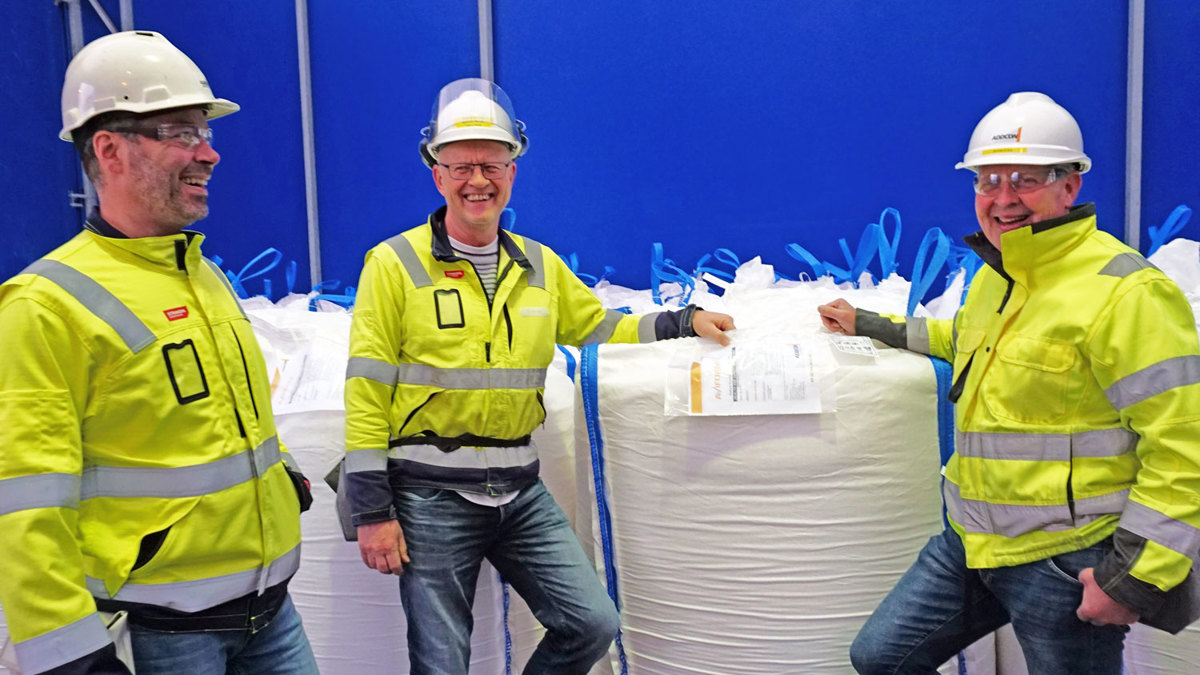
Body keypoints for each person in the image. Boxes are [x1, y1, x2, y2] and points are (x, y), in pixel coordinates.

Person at [342, 78, 735, 674]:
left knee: (591, 624)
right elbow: (367, 390)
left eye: (493, 165)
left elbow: (599, 327)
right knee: (442, 660)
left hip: (518, 489)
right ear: (437, 174)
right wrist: (372, 511)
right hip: (430, 496)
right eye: (462, 165)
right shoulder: (393, 264)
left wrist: (685, 320)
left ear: (513, 172)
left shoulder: (539, 265)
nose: (479, 180)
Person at [818, 91, 1200, 674]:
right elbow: (971, 344)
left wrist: (1133, 581)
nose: (1002, 199)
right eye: (986, 181)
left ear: (1069, 185)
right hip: (972, 542)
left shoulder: (1127, 292)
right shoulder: (1000, 274)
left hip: (1066, 557)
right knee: (881, 658)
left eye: (1022, 180)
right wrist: (872, 324)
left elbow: (1183, 445)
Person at [0, 31, 318, 675]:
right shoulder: (46, 306)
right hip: (165, 636)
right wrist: (68, 653)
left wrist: (281, 474)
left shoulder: (199, 273)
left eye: (204, 131)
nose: (210, 153)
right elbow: (25, 502)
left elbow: (222, 414)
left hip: (269, 614)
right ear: (110, 150)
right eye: (181, 133)